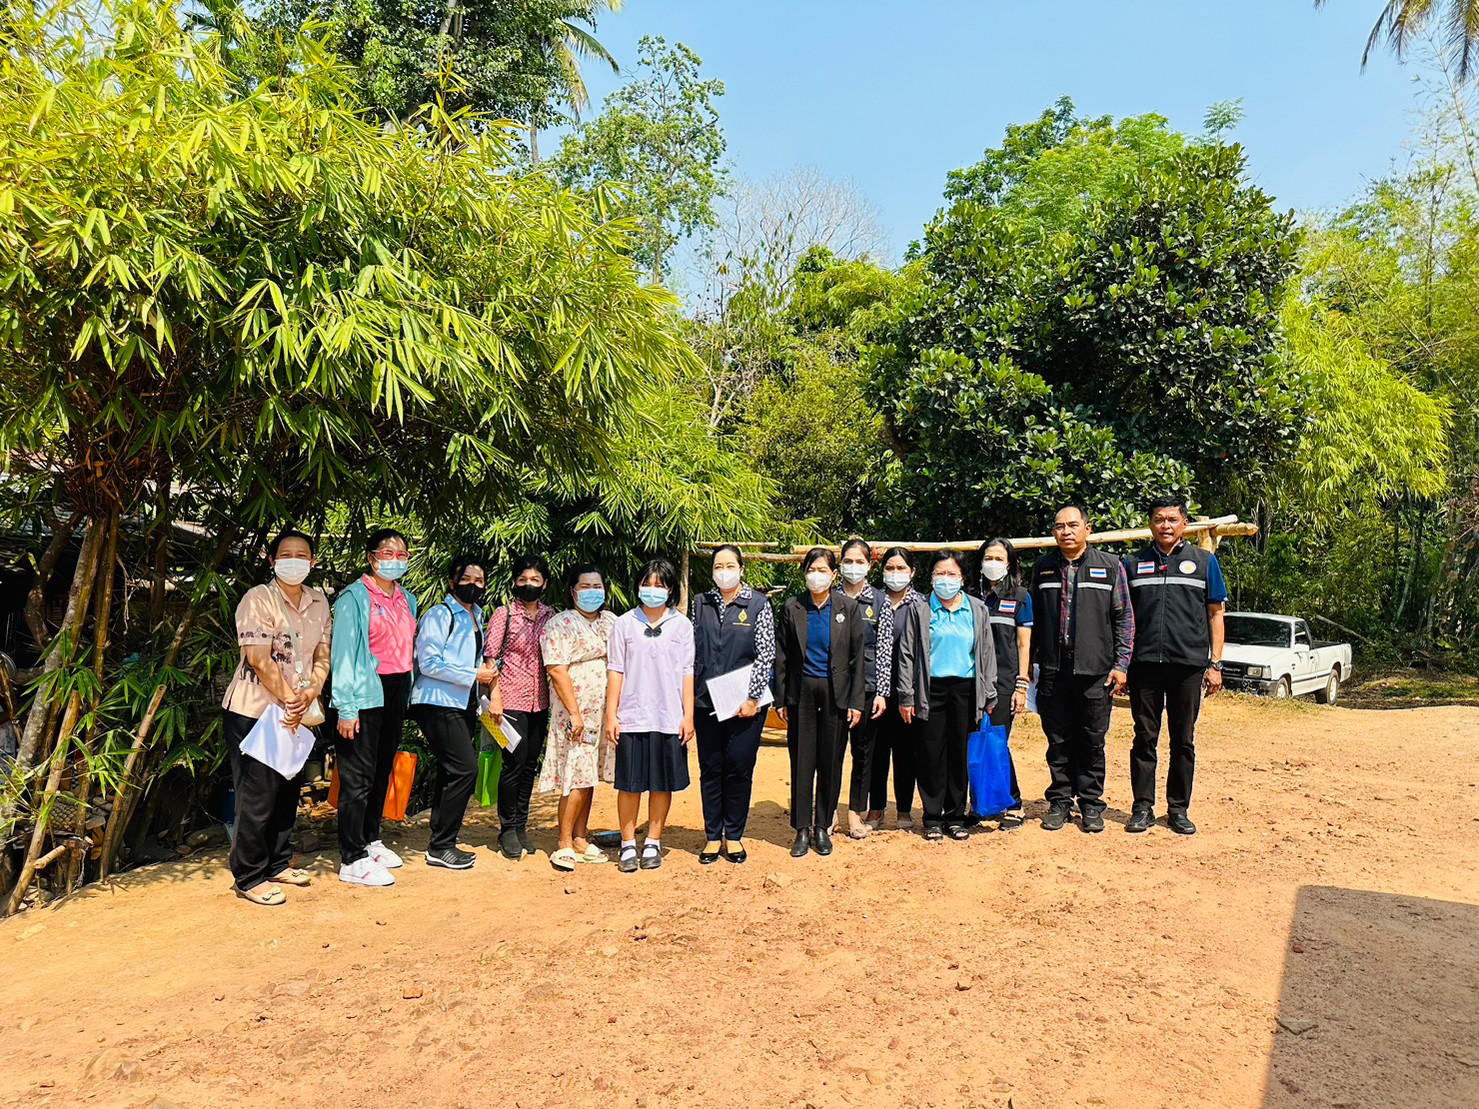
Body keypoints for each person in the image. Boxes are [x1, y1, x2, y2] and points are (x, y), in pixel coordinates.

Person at [222, 531, 331, 905]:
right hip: (255, 711)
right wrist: (290, 699)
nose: (294, 560)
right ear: (272, 561)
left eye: (302, 554)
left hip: (295, 711)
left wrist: (311, 691)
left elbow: (322, 654)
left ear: (312, 562)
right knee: (257, 796)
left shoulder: (319, 602)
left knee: (287, 790)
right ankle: (249, 875)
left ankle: (278, 862)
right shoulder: (258, 599)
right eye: (285, 554)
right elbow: (258, 658)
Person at [1123, 498, 1228, 835]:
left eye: (1172, 519)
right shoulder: (1132, 564)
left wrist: (1215, 663)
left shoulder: (1205, 562)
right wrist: (1122, 664)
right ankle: (1142, 807)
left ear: (1184, 524)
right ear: (1150, 524)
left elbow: (1216, 614)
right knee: (1144, 738)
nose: (1165, 525)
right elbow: (1122, 618)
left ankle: (1178, 809)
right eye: (1159, 519)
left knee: (1183, 740)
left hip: (1188, 666)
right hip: (1144, 666)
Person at [1029, 505, 1134, 834]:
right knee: (1058, 739)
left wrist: (1121, 664)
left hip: (1095, 671)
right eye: (1059, 526)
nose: (1066, 532)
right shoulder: (1043, 568)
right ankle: (1060, 800)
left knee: (1092, 740)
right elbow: (1032, 621)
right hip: (1053, 669)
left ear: (1087, 529)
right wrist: (1029, 664)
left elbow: (1124, 618)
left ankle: (1090, 802)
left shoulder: (1111, 566)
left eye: (1073, 525)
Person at [330, 528, 418, 887]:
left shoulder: (407, 599)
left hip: (395, 691)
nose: (395, 560)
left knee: (382, 770)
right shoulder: (354, 598)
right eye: (387, 553)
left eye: (402, 555)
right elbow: (342, 654)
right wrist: (345, 706)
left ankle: (370, 839)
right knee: (358, 777)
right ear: (371, 558)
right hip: (363, 692)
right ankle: (351, 857)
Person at [894, 549, 997, 841]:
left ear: (962, 579)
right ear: (931, 578)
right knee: (930, 754)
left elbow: (987, 653)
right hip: (930, 690)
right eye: (940, 573)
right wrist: (906, 696)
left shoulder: (977, 609)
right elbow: (907, 655)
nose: (946, 579)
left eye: (952, 573)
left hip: (965, 689)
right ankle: (932, 817)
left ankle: (955, 816)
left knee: (959, 753)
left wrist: (989, 693)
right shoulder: (919, 609)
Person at [603, 559, 696, 874]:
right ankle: (628, 843)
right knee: (629, 784)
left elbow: (687, 672)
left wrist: (688, 715)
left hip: (668, 717)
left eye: (660, 585)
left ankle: (653, 841)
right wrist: (611, 714)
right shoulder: (625, 623)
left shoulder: (681, 625)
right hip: (632, 715)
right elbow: (616, 670)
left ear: (670, 589)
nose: (652, 590)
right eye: (647, 583)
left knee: (661, 783)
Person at [773, 547, 865, 858]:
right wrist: (781, 699)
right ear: (804, 574)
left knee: (831, 760)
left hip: (836, 694)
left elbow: (857, 658)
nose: (817, 575)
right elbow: (782, 656)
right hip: (801, 693)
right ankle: (802, 828)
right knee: (802, 761)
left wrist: (856, 701)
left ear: (834, 575)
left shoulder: (848, 608)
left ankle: (823, 826)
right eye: (812, 570)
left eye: (823, 570)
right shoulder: (792, 607)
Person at [409, 554, 496, 870]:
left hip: (461, 703)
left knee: (451, 770)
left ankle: (441, 837)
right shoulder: (439, 614)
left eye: (479, 580)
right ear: (452, 582)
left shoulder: (477, 615)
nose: (473, 585)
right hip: (435, 701)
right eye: (466, 579)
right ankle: (441, 845)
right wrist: (474, 674)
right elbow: (428, 663)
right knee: (465, 769)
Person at [691, 545, 775, 865]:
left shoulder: (758, 604)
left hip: (746, 704)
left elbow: (765, 654)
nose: (723, 571)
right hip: (706, 702)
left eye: (730, 566)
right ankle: (713, 835)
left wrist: (753, 697)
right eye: (718, 566)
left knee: (739, 766)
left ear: (741, 570)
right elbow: (692, 651)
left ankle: (734, 835)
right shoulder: (701, 603)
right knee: (711, 767)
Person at [540, 565, 619, 870]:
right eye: (585, 586)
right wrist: (574, 713)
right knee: (575, 773)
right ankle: (563, 842)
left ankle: (580, 837)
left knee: (589, 775)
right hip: (575, 711)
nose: (592, 592)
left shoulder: (611, 621)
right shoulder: (560, 624)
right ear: (572, 591)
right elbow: (556, 670)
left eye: (597, 586)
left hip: (602, 710)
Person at [483, 554, 556, 861]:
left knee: (529, 764)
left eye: (535, 580)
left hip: (540, 702)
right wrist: (495, 697)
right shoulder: (505, 614)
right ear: (515, 582)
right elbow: (490, 659)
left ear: (545, 584)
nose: (529, 584)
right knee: (513, 764)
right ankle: (507, 829)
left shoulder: (551, 616)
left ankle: (522, 825)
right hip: (508, 701)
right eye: (523, 579)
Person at [833, 538, 892, 839]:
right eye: (848, 561)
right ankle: (828, 812)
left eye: (859, 562)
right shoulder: (829, 597)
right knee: (831, 752)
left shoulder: (880, 601)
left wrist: (882, 691)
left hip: (868, 687)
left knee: (864, 752)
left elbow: (884, 650)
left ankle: (855, 812)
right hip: (832, 686)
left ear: (870, 565)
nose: (853, 567)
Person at [867, 547, 928, 831]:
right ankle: (876, 808)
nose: (895, 573)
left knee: (906, 752)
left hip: (908, 691)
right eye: (890, 568)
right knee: (876, 751)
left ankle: (904, 809)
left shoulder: (921, 604)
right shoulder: (873, 601)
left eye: (901, 568)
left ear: (912, 572)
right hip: (875, 690)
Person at [974, 538, 1033, 829]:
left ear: (1009, 563)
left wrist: (1021, 686)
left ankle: (1013, 803)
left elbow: (1023, 644)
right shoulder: (969, 595)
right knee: (974, 741)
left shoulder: (1020, 597)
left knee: (997, 742)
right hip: (972, 681)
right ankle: (981, 804)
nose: (993, 563)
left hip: (1004, 682)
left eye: (999, 558)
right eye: (989, 557)